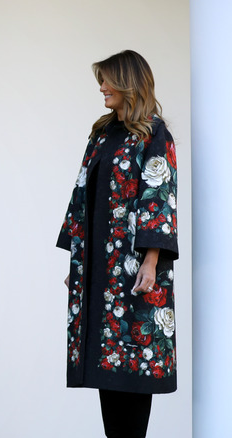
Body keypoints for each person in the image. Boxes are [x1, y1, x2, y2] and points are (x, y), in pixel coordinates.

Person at [57, 50, 178, 438]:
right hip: (99, 270)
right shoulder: (102, 133)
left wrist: (151, 260)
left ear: (128, 82)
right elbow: (81, 195)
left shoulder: (155, 134)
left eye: (107, 80)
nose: (102, 87)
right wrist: (77, 262)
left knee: (134, 367)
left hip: (135, 270)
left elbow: (159, 196)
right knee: (106, 367)